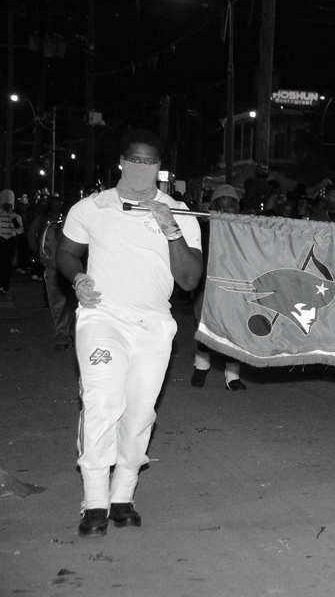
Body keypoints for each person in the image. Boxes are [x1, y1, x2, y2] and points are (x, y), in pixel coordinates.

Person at [56, 129, 203, 537]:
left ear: (161, 168)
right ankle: (95, 502)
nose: (142, 168)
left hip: (154, 324)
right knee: (103, 401)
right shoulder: (92, 207)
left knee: (140, 411)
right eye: (135, 161)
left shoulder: (180, 212)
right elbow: (65, 252)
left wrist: (172, 229)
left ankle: (123, 496)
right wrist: (78, 277)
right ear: (121, 162)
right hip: (103, 318)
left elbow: (190, 280)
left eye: (150, 162)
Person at [191, 185, 246, 391]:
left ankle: (232, 376)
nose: (225, 210)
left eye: (230, 206)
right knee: (206, 332)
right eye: (220, 206)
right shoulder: (202, 228)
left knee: (233, 332)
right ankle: (201, 365)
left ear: (237, 208)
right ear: (212, 207)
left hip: (235, 287)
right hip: (206, 286)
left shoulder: (247, 230)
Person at [39, 196, 77, 351]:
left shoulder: (81, 231)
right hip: (55, 272)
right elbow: (42, 249)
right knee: (58, 307)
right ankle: (62, 337)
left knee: (76, 306)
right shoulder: (53, 228)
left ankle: (74, 334)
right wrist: (50, 262)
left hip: (75, 272)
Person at [0, 189, 24, 295]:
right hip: (0, 240)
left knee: (7, 264)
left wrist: (13, 220)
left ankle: (5, 286)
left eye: (8, 204)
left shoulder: (16, 217)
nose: (6, 206)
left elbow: (19, 231)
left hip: (10, 241)